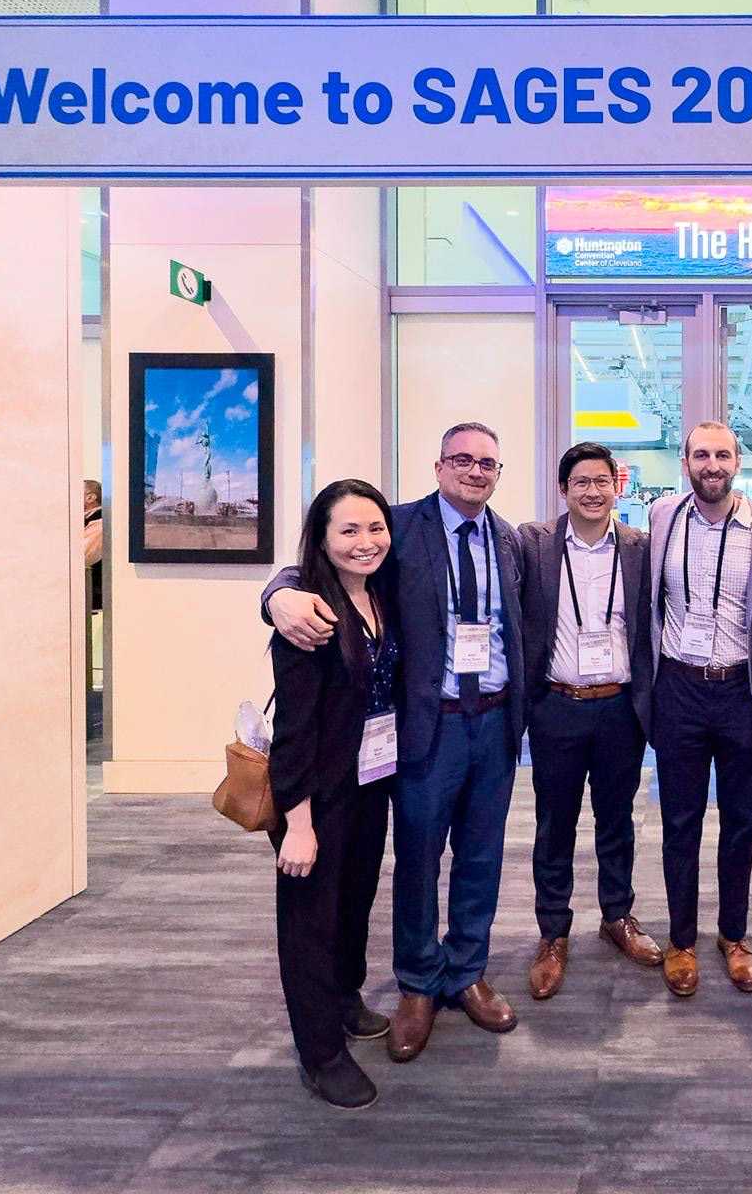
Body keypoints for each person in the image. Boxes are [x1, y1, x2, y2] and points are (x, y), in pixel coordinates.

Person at [264, 422, 525, 1065]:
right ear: (438, 466)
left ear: (499, 472)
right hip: (423, 725)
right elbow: (316, 564)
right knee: (416, 858)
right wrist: (277, 597)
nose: (474, 471)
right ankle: (417, 982)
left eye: (487, 463)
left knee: (481, 857)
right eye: (461, 459)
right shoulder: (396, 527)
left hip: (493, 722)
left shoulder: (510, 539)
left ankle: (466, 970)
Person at [267, 479, 399, 1110]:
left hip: (369, 782)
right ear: (321, 538)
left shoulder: (379, 596)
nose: (365, 542)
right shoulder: (308, 617)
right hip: (314, 796)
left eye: (375, 528)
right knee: (308, 924)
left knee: (353, 904)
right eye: (348, 530)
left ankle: (346, 997)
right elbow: (293, 732)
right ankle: (319, 1054)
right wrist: (297, 822)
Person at [518, 442, 663, 1000]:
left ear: (617, 486)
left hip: (619, 708)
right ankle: (553, 932)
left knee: (616, 819)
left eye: (602, 481)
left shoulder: (640, 549)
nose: (593, 491)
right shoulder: (533, 544)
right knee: (554, 823)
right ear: (564, 489)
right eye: (581, 482)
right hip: (556, 706)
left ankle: (617, 914)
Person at [649, 421, 752, 997]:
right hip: (677, 687)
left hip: (740, 692)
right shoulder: (660, 519)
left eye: (722, 455)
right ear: (685, 461)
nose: (712, 464)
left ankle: (733, 934)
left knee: (741, 821)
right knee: (679, 822)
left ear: (738, 461)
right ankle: (681, 939)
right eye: (701, 454)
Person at [83, 480, 104, 611]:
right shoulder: (84, 520)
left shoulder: (100, 522)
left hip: (91, 597)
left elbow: (83, 556)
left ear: (90, 497)